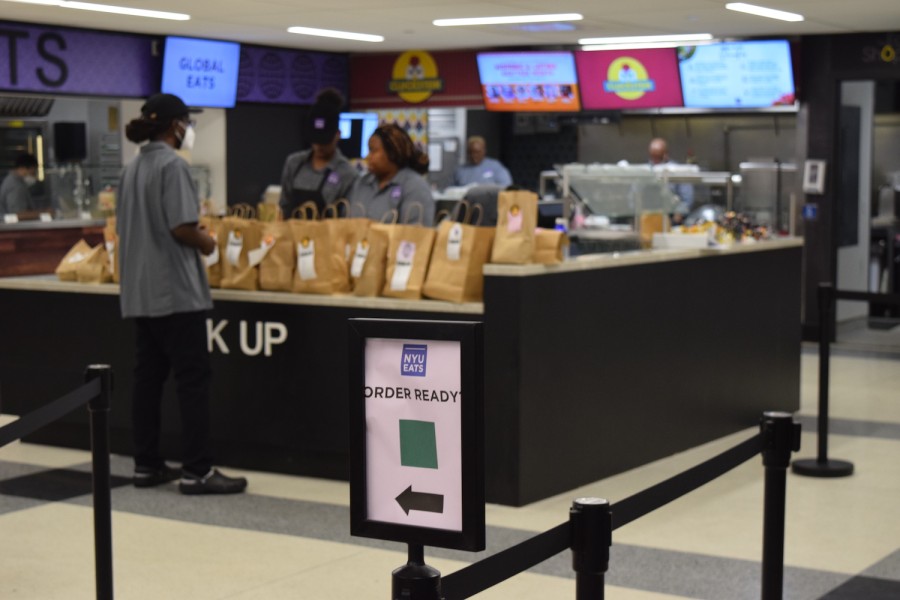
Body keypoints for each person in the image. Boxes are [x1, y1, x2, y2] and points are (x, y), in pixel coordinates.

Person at [116, 93, 247, 495]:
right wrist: (208, 242)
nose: (188, 130)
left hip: (140, 292)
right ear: (175, 125)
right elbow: (181, 227)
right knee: (192, 381)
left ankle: (147, 464)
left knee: (148, 380)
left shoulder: (131, 169)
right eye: (187, 123)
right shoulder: (173, 166)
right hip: (176, 293)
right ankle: (197, 470)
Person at [279, 88, 358, 217]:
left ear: (338, 134)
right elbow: (283, 206)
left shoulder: (348, 173)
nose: (319, 146)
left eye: (324, 141)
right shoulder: (294, 163)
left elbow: (347, 219)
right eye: (315, 140)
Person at [349, 123, 435, 225]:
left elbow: (417, 234)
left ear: (393, 152)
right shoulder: (361, 184)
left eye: (374, 150)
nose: (368, 157)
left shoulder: (415, 187)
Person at [648, 137, 695, 221]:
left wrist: (679, 214)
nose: (655, 161)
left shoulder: (677, 170)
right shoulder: (647, 170)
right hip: (649, 216)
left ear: (665, 154)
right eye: (653, 157)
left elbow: (687, 197)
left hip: (672, 217)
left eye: (658, 157)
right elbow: (635, 194)